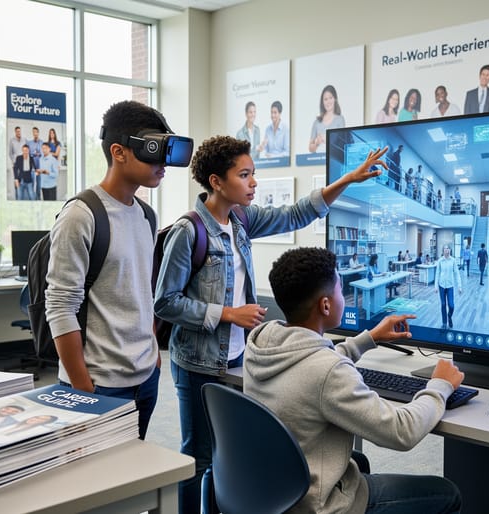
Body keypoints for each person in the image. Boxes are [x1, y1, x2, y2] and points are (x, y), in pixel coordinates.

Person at [154, 136, 388, 514]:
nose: (253, 183)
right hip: (198, 362)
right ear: (216, 181)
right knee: (199, 459)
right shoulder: (189, 231)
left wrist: (346, 180)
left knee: (230, 455)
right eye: (244, 175)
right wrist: (228, 314)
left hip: (236, 357)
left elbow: (297, 214)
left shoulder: (242, 219)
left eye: (253, 174)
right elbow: (164, 302)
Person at [244, 246, 464, 514]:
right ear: (326, 305)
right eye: (340, 289)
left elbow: (310, 363)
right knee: (447, 492)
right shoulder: (328, 372)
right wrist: (439, 385)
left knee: (358, 462)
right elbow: (401, 431)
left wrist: (368, 338)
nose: (343, 296)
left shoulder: (262, 344)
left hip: (273, 491)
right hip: (318, 505)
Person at [45, 100, 177, 441]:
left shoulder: (147, 216)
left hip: (145, 377)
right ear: (119, 152)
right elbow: (60, 306)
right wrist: (82, 387)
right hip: (98, 384)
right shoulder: (81, 215)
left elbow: (141, 291)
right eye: (153, 150)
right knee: (91, 484)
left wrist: (151, 356)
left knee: (129, 483)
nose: (162, 163)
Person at [308, 85, 345, 153]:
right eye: (325, 99)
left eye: (330, 98)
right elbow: (310, 149)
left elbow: (342, 144)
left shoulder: (340, 119)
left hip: (333, 159)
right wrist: (317, 143)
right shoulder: (317, 122)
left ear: (335, 99)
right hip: (319, 160)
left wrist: (327, 139)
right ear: (322, 102)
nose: (328, 102)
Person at [436, 245, 462, 329]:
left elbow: (457, 273)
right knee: (443, 304)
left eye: (448, 248)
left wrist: (459, 286)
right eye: (445, 248)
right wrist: (436, 286)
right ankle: (444, 323)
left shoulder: (453, 260)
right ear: (443, 250)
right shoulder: (440, 261)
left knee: (451, 305)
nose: (447, 250)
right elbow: (437, 274)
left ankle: (449, 316)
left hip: (450, 286)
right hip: (441, 286)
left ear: (450, 250)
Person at [27, 127, 45, 199]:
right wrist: (34, 154)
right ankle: (32, 200)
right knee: (32, 185)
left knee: (39, 185)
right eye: (33, 132)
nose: (35, 134)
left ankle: (38, 199)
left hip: (40, 167)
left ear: (38, 133)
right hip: (32, 168)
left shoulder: (42, 142)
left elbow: (43, 153)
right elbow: (28, 154)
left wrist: (38, 154)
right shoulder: (29, 143)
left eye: (36, 132)